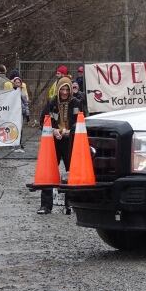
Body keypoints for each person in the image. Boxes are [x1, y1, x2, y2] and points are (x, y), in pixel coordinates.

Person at [38, 76, 81, 214]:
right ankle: (45, 205)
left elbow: (80, 121)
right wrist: (54, 130)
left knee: (71, 172)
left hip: (70, 141)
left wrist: (70, 131)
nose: (64, 92)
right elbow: (43, 122)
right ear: (58, 90)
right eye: (62, 89)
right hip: (54, 142)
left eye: (67, 89)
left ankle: (70, 204)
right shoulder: (51, 103)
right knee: (48, 171)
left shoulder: (76, 103)